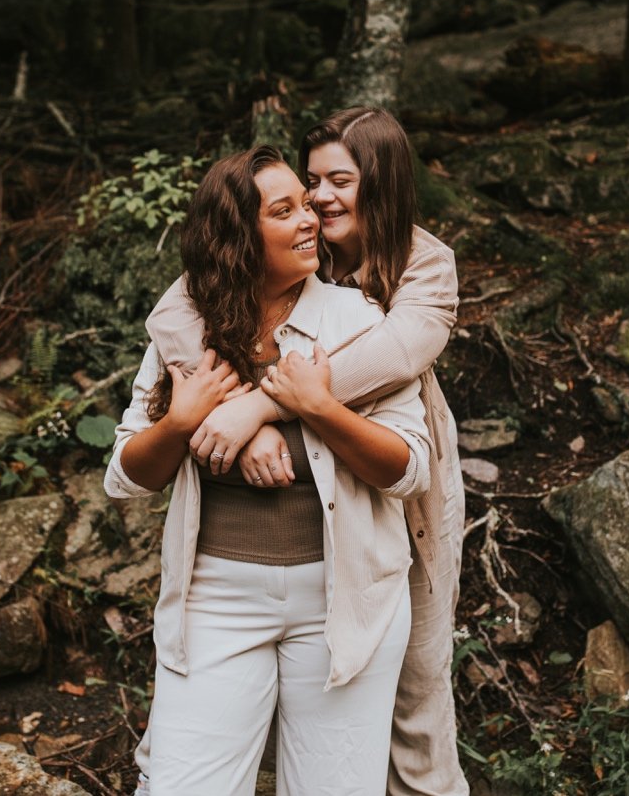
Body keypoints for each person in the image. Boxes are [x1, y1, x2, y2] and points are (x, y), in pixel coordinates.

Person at [138, 108, 469, 796]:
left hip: (405, 491)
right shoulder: (276, 251)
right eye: (309, 181)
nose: (320, 199)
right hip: (262, 554)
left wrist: (260, 407)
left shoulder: (423, 263)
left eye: (339, 180)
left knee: (416, 689)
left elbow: (390, 354)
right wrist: (217, 410)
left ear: (382, 185)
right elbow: (175, 311)